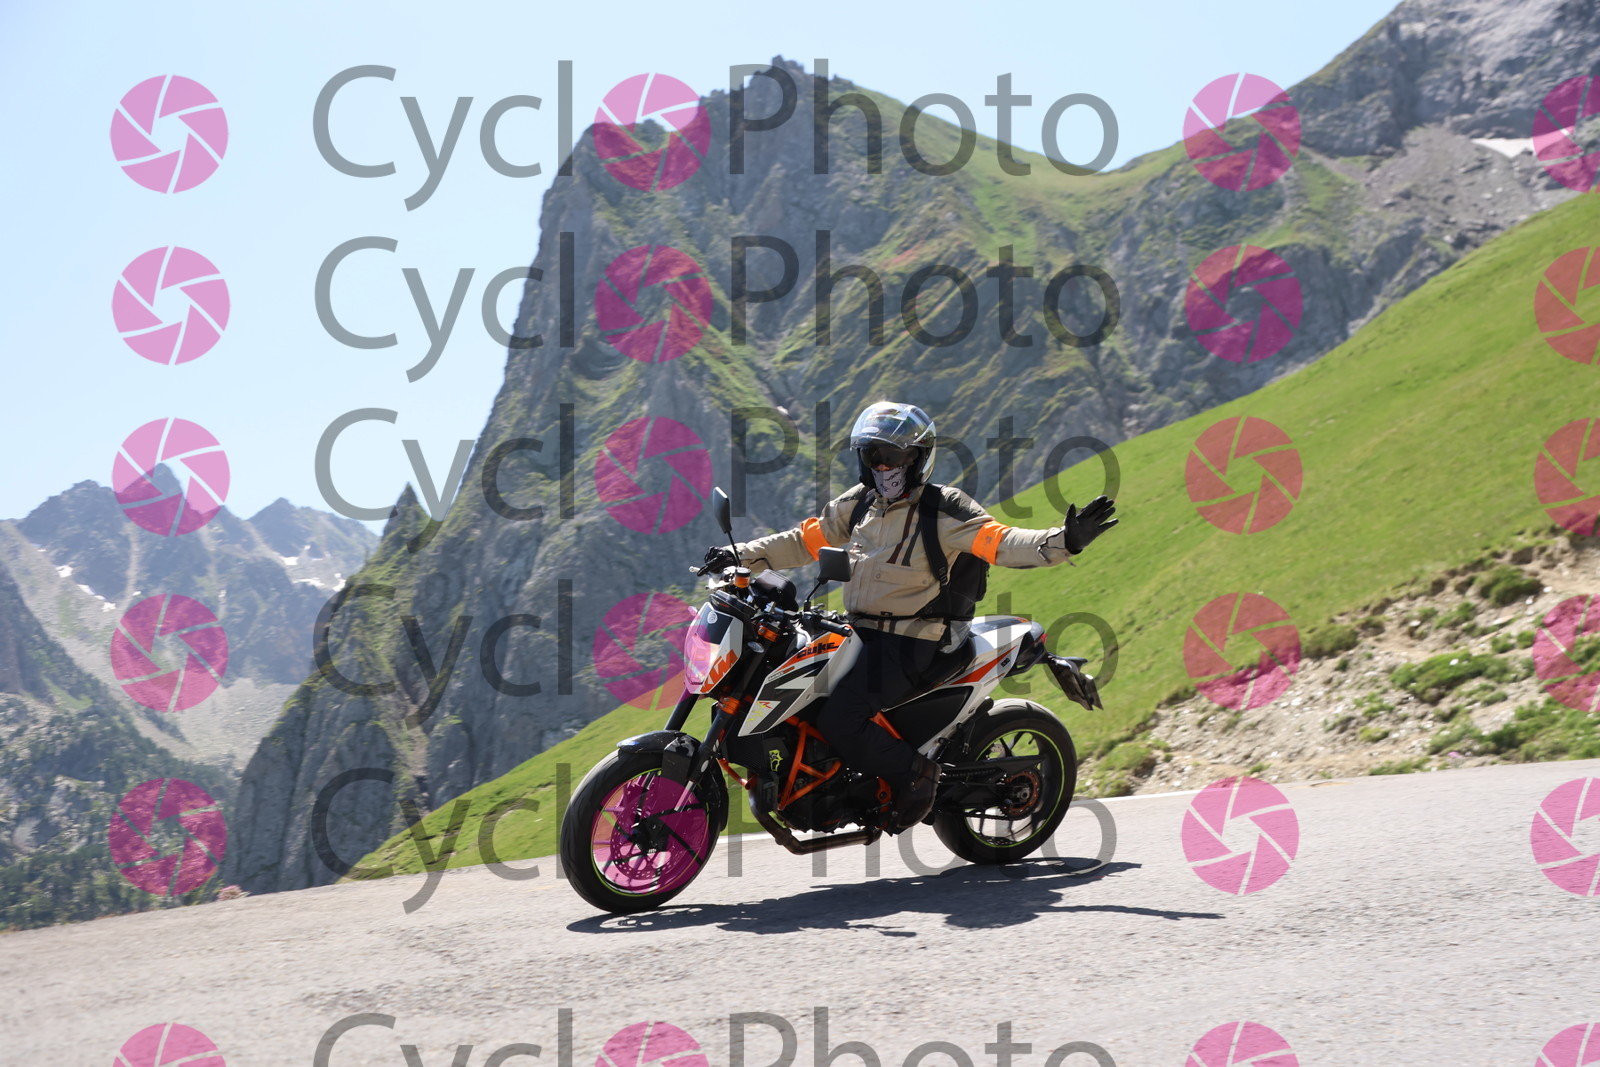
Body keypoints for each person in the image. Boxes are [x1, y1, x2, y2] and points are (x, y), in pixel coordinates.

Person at [702, 401, 1117, 831]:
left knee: (841, 716)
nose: (884, 466)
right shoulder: (860, 503)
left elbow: (1002, 542)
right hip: (859, 630)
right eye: (874, 456)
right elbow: (803, 540)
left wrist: (1064, 540)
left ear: (918, 458)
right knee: (795, 686)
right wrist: (738, 556)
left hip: (915, 641)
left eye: (894, 456)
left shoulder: (945, 509)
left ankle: (916, 776)